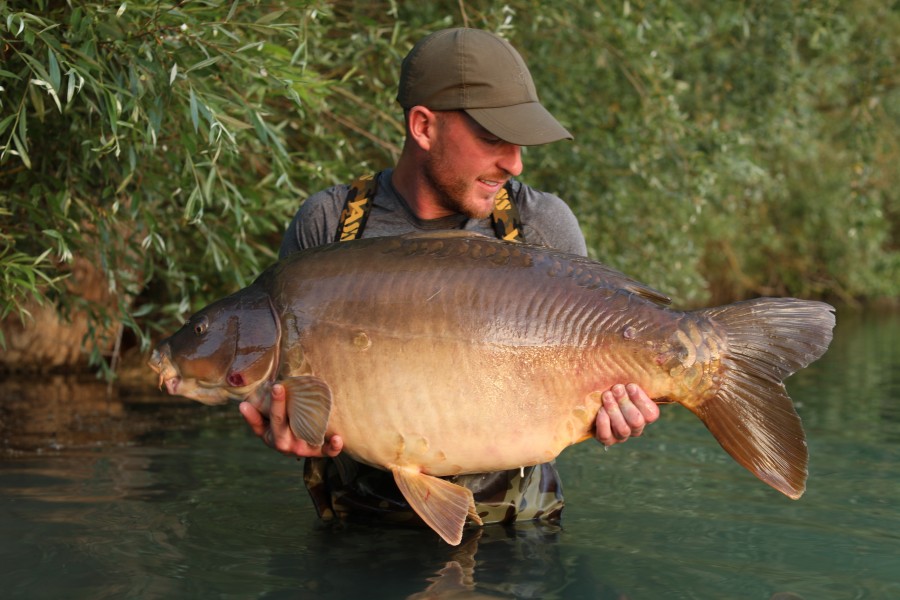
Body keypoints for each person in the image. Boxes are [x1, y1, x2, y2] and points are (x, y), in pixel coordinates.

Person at [240, 27, 659, 527]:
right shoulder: (329, 225)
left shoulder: (540, 225)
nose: (514, 162)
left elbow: (595, 371)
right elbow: (275, 385)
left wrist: (617, 416)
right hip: (359, 536)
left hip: (519, 540)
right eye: (491, 138)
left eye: (518, 141)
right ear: (423, 126)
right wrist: (284, 426)